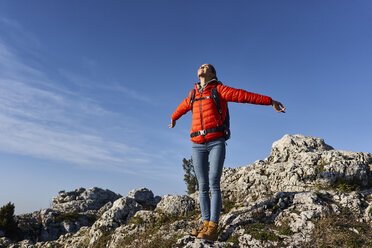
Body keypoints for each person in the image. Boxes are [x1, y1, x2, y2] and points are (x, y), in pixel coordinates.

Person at [168, 64, 285, 241]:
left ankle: (213, 227)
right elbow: (181, 108)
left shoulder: (219, 89)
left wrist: (270, 101)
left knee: (214, 182)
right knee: (202, 185)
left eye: (206, 67)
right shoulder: (193, 94)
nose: (202, 67)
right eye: (201, 66)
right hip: (197, 144)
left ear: (212, 73)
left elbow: (244, 96)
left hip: (216, 142)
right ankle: (205, 223)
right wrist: (173, 118)